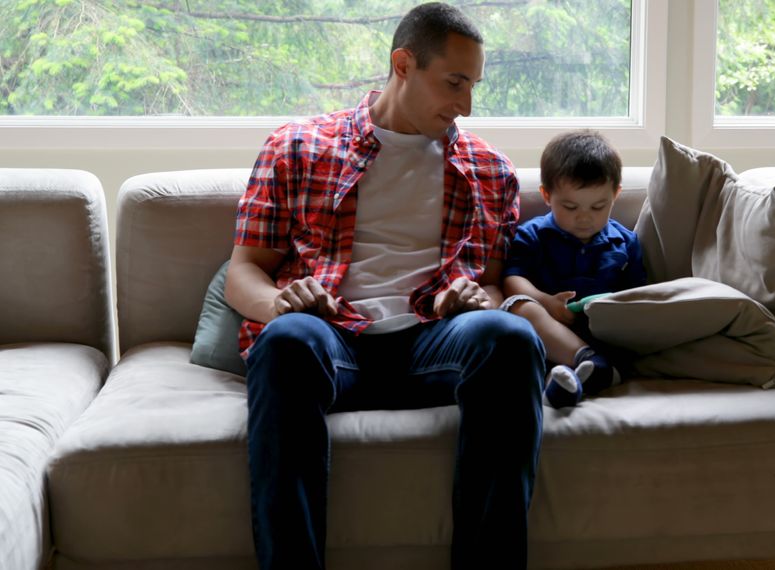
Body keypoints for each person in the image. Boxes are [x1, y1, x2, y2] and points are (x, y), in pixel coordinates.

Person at [223, 3, 545, 569]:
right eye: (454, 82)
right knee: (287, 340)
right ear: (403, 64)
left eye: (473, 86)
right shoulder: (299, 146)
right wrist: (281, 301)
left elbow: (493, 288)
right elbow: (243, 270)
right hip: (332, 339)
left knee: (510, 338)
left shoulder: (490, 171)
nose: (465, 105)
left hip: (433, 343)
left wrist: (468, 299)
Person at [501, 130, 646, 408]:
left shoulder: (625, 242)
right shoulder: (532, 236)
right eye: (569, 206)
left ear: (616, 195)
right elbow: (512, 279)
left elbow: (637, 294)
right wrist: (546, 302)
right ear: (546, 195)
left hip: (604, 337)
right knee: (520, 307)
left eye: (598, 206)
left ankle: (578, 381)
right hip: (551, 336)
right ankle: (578, 374)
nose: (584, 218)